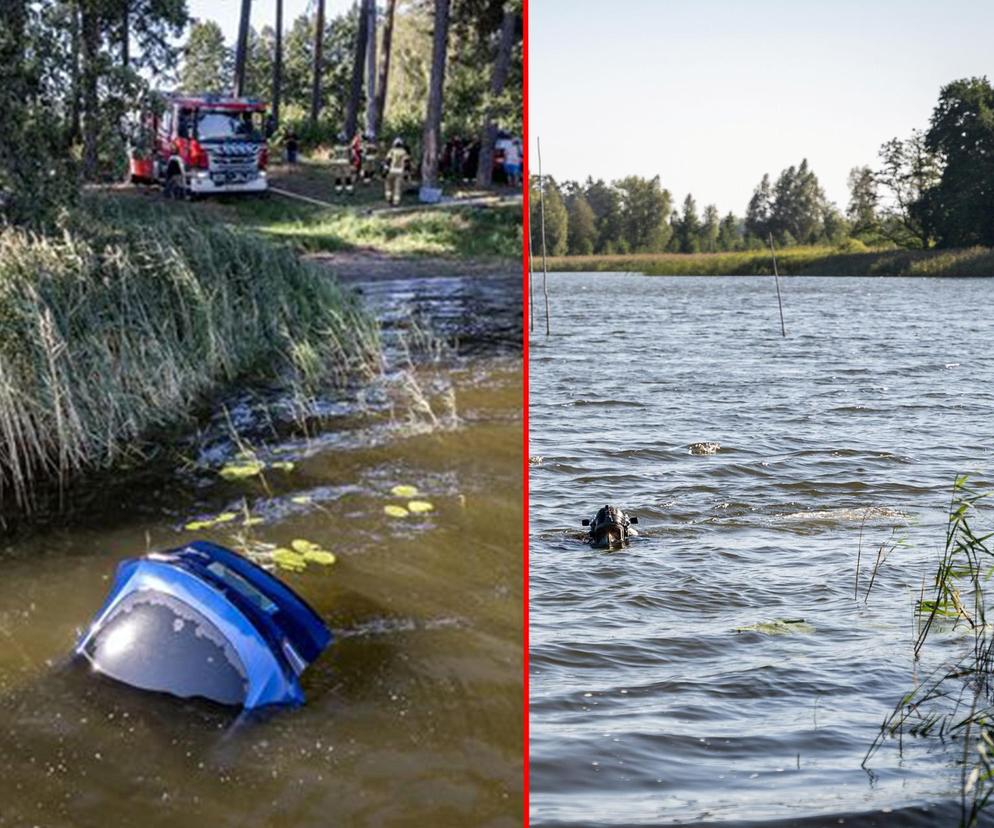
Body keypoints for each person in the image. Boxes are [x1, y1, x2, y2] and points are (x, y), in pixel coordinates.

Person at [384, 137, 409, 206]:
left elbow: (387, 161)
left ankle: (389, 199)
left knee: (388, 185)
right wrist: (406, 173)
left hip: (391, 171)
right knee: (397, 187)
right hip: (400, 172)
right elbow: (407, 163)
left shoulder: (391, 151)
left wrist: (385, 171)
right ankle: (396, 202)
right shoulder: (404, 152)